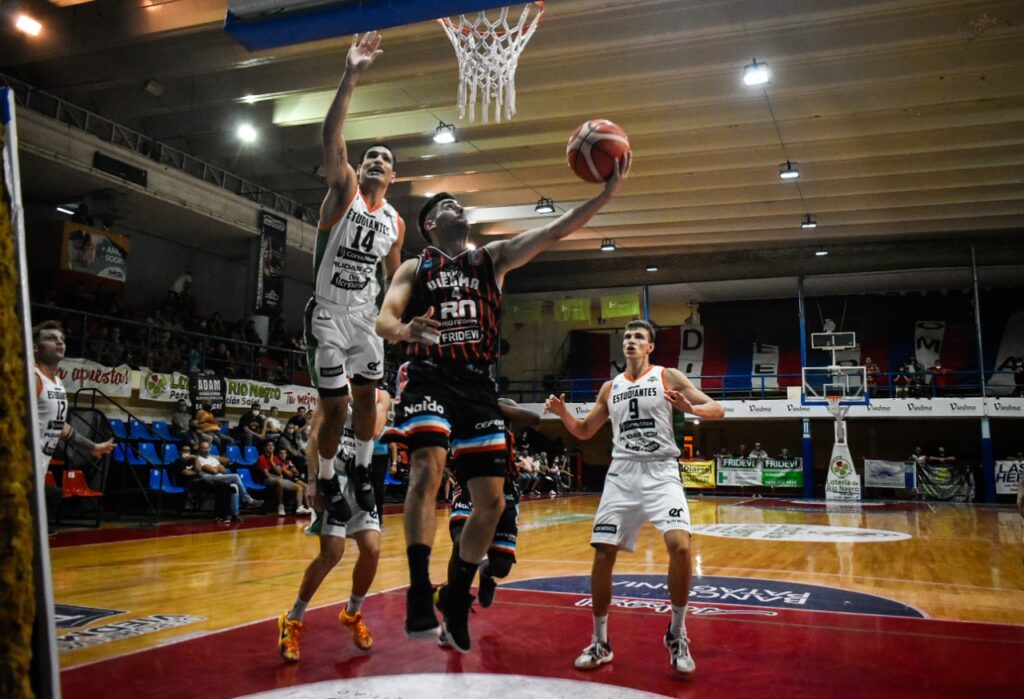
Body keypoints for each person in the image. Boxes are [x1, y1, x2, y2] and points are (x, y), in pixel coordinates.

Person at [376, 151, 630, 652]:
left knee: (490, 503)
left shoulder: (491, 258)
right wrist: (407, 329)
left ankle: (456, 592)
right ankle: (418, 586)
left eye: (460, 203)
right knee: (428, 468)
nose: (459, 207)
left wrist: (603, 195)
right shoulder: (415, 265)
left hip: (477, 384)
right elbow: (384, 320)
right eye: (447, 203)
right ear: (431, 224)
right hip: (429, 374)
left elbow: (554, 232)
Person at [545, 319, 724, 675]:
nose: (630, 341)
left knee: (682, 547)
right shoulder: (610, 387)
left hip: (661, 471)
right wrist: (563, 414)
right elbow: (584, 431)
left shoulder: (667, 376)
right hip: (623, 473)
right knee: (602, 553)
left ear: (650, 346)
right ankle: (600, 642)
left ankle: (676, 633)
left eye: (638, 337)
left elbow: (716, 409)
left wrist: (689, 409)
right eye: (626, 337)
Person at [305, 32, 406, 528]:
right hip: (327, 314)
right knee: (337, 405)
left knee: (367, 397)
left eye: (383, 160)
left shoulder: (395, 220)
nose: (373, 161)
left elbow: (397, 279)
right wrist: (351, 76)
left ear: (392, 176)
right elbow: (332, 137)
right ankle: (326, 475)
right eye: (369, 156)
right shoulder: (343, 189)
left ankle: (362, 471)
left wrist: (401, 320)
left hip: (365, 316)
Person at [277, 393, 390, 662]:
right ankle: (292, 620)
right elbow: (315, 436)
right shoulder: (333, 389)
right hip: (334, 478)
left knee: (372, 549)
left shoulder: (381, 395)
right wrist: (313, 481)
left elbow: (374, 431)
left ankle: (352, 613)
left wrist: (370, 402)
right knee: (332, 552)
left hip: (360, 478)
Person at [436, 398, 541, 647]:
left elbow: (534, 419)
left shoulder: (499, 404)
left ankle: (486, 572)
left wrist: (490, 406)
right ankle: (453, 616)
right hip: (469, 487)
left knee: (502, 566)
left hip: (503, 491)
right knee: (461, 542)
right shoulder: (455, 409)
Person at [32, 321, 115, 519]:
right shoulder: (31, 377)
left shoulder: (58, 383)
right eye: (51, 339)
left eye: (62, 339)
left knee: (51, 499)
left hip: (38, 467)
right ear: (35, 348)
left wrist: (92, 446)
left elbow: (59, 427)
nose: (60, 343)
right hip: (18, 468)